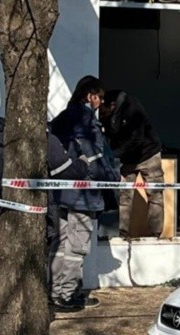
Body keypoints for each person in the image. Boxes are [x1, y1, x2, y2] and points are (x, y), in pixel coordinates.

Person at [49, 75, 118, 309]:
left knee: (60, 243)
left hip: (61, 192)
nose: (100, 103)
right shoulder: (86, 121)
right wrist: (113, 178)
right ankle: (69, 295)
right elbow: (96, 159)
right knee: (76, 247)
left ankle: (55, 292)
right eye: (99, 97)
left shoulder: (62, 118)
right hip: (84, 194)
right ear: (90, 96)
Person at [0, 116, 88, 224]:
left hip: (6, 219)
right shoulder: (44, 138)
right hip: (39, 219)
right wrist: (83, 163)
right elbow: (67, 170)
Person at [103, 89, 164, 239]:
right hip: (127, 158)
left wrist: (113, 154)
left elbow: (136, 139)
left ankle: (156, 234)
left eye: (103, 110)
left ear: (111, 105)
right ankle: (121, 233)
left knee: (155, 194)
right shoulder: (108, 116)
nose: (101, 114)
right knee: (124, 196)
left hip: (148, 154)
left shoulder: (132, 108)